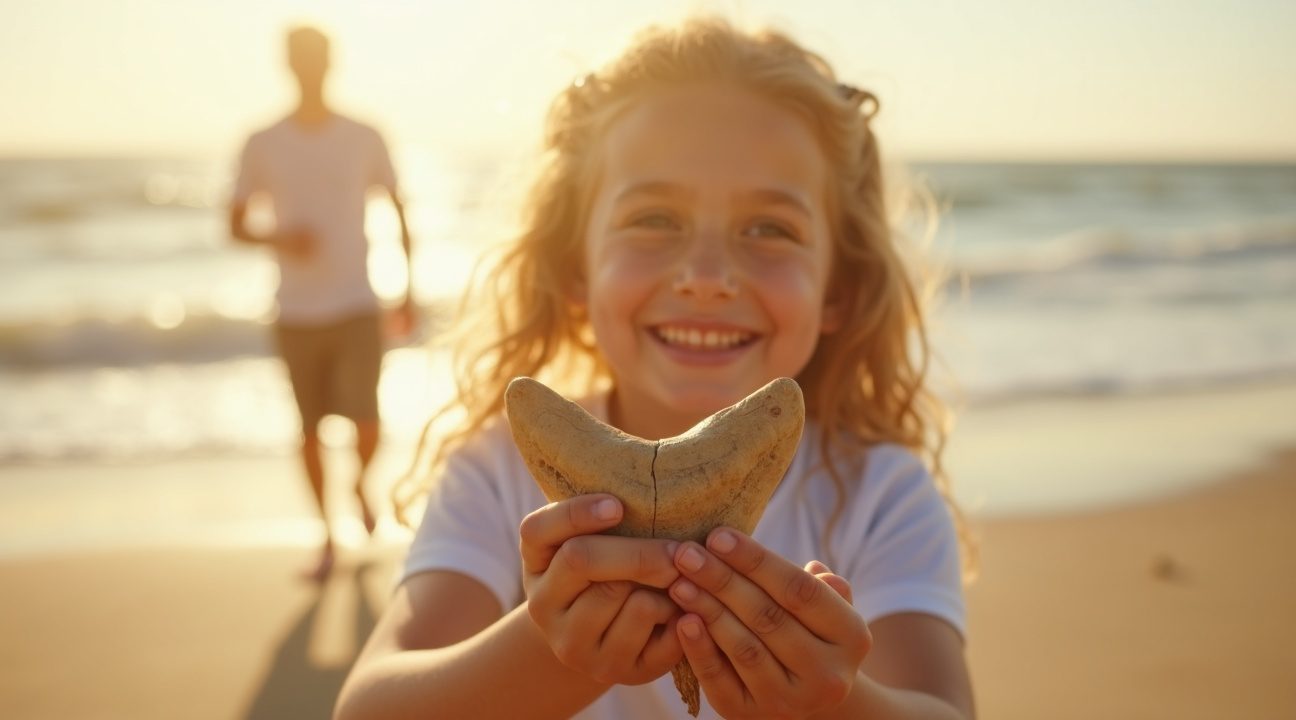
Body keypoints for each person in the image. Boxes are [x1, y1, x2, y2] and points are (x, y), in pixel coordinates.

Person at [336, 18, 974, 720]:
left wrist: (834, 705)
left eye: (770, 229)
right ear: (573, 269)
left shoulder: (879, 492)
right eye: (654, 220)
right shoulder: (497, 473)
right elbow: (368, 708)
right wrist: (553, 652)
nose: (707, 277)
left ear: (838, 289)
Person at [229, 26, 415, 582]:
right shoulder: (262, 141)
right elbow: (233, 224)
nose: (309, 67)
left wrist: (409, 288)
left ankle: (360, 484)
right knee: (308, 430)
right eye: (300, 58)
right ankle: (328, 537)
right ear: (287, 65)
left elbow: (399, 207)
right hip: (295, 312)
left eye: (317, 58)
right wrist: (280, 239)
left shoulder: (363, 135)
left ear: (330, 63)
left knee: (367, 421)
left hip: (358, 302)